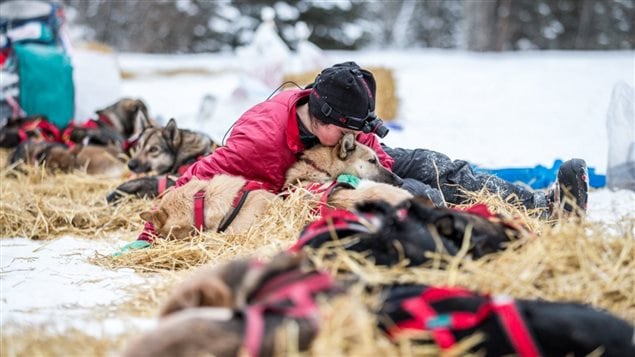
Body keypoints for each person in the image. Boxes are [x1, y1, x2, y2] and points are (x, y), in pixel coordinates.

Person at [130, 61, 588, 246]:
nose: (361, 132)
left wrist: (373, 153)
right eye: (353, 127)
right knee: (414, 194)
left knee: (437, 166)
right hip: (316, 187)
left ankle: (545, 205)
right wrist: (154, 214)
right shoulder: (260, 138)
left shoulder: (341, 129)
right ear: (323, 117)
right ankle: (507, 232)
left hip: (354, 161)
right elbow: (202, 175)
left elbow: (370, 147)